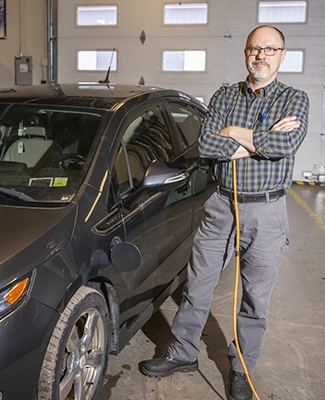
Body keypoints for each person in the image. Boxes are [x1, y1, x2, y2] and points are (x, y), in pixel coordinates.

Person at [141, 25, 309, 400]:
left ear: (283, 55)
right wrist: (250, 138)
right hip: (220, 204)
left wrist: (235, 133)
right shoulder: (224, 95)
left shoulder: (295, 99)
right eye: (254, 48)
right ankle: (183, 353)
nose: (261, 55)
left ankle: (241, 369)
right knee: (197, 286)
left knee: (255, 298)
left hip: (266, 210)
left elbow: (285, 143)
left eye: (270, 49)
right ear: (245, 53)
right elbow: (208, 144)